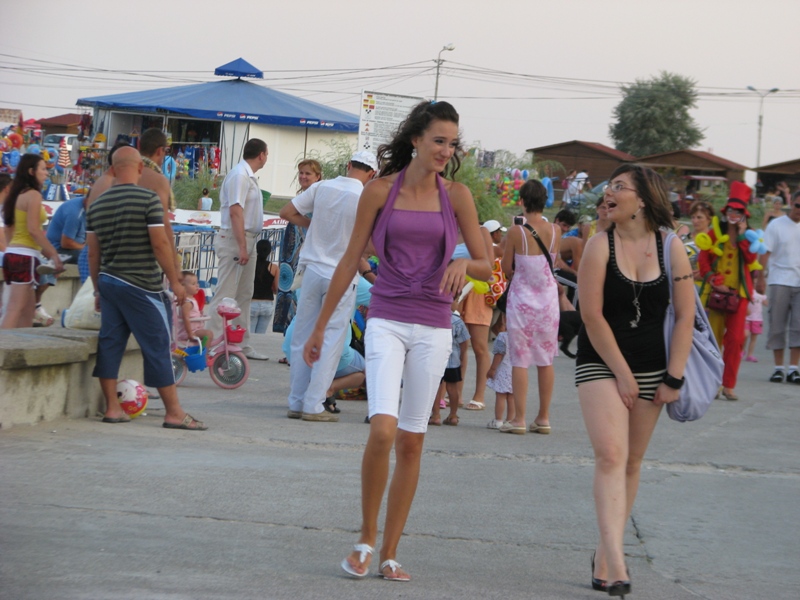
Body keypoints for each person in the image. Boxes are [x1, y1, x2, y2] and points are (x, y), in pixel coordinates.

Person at [303, 101, 491, 581]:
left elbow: (488, 267)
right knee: (383, 429)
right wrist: (321, 325)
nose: (446, 151)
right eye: (438, 141)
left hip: (433, 327)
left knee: (411, 441)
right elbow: (350, 259)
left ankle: (389, 553)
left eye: (452, 143)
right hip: (386, 318)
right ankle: (365, 539)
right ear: (416, 140)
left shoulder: (458, 196)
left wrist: (463, 264)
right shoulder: (379, 191)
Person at [576, 164, 695, 597]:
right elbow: (591, 315)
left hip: (653, 367)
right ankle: (618, 561)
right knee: (611, 455)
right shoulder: (598, 245)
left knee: (631, 463)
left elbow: (686, 316)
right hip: (602, 362)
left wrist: (674, 377)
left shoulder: (670, 247)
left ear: (642, 200)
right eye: (609, 186)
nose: (609, 193)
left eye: (619, 187)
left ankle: (603, 554)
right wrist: (623, 375)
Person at [86, 146, 206, 430]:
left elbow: (93, 253)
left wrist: (97, 290)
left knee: (110, 344)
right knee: (158, 345)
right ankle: (174, 413)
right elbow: (160, 243)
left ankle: (112, 408)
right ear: (141, 168)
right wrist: (175, 281)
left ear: (112, 170)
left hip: (109, 281)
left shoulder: (97, 205)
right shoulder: (148, 198)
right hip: (141, 285)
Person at [279, 150, 377, 421]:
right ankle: (314, 404)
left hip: (312, 270)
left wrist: (313, 225)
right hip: (342, 275)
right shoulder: (365, 197)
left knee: (302, 335)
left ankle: (296, 401)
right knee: (331, 340)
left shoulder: (321, 187)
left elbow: (287, 212)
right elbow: (370, 244)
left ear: (348, 165)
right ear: (372, 174)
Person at [499, 179, 561, 435]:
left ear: (522, 201)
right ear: (545, 201)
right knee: (546, 360)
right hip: (548, 302)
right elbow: (554, 264)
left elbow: (506, 267)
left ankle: (519, 419)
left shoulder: (517, 232)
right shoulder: (556, 230)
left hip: (521, 301)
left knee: (520, 359)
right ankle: (543, 417)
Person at [208, 138, 269, 360]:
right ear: (261, 155)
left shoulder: (248, 176)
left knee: (244, 294)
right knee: (225, 293)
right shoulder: (240, 176)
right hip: (236, 239)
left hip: (248, 239)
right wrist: (242, 246)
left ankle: (240, 343)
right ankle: (213, 342)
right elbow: (235, 211)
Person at [698, 182, 760, 400]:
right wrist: (712, 279)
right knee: (713, 338)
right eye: (731, 210)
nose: (734, 215)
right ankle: (712, 383)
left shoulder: (750, 236)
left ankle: (729, 385)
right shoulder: (715, 233)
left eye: (738, 211)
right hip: (717, 295)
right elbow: (703, 259)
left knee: (735, 339)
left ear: (744, 215)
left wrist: (742, 235)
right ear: (725, 212)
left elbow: (751, 259)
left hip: (739, 296)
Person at [1, 154, 64, 329]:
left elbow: (9, 230)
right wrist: (54, 255)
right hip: (26, 258)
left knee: (28, 311)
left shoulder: (15, 196)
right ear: (31, 171)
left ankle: (21, 345)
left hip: (13, 255)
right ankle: (4, 345)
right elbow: (34, 230)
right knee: (15, 309)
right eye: (43, 169)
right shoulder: (33, 195)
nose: (46, 173)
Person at [273, 158, 323, 342]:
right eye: (301, 173)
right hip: (292, 249)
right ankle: (289, 339)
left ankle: (295, 341)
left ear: (318, 176)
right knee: (290, 291)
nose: (303, 176)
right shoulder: (304, 195)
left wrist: (309, 225)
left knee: (299, 293)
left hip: (304, 249)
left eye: (308, 173)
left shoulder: (318, 195)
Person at [763, 190, 800, 384]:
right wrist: (759, 277)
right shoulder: (776, 225)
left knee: (798, 326)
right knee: (777, 324)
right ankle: (778, 368)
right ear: (791, 203)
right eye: (798, 205)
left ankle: (794, 369)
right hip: (779, 280)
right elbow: (766, 252)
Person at [36, 194, 89, 326]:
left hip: (67, 249)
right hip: (60, 250)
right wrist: (88, 248)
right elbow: (66, 243)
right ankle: (85, 306)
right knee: (92, 258)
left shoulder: (86, 208)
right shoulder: (75, 213)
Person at [429, 300, 470, 426]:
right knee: (452, 388)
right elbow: (464, 341)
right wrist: (462, 355)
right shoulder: (457, 321)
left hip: (436, 358)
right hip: (453, 361)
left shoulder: (432, 317)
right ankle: (453, 415)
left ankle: (436, 415)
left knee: (436, 387)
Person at [486, 313, 514, 429]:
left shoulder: (503, 336)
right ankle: (510, 420)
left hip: (503, 370)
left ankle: (498, 420)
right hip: (516, 371)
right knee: (512, 397)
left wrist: (492, 368)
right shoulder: (521, 337)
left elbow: (499, 354)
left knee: (501, 395)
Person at [175, 271, 214, 346]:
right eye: (193, 284)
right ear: (183, 287)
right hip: (188, 332)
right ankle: (204, 352)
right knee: (209, 334)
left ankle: (202, 349)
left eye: (197, 283)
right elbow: (186, 318)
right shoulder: (187, 302)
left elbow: (192, 314)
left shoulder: (192, 299)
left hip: (195, 330)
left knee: (207, 334)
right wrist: (190, 333)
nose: (197, 285)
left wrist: (199, 314)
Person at [250, 239, 278, 334]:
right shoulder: (274, 267)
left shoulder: (251, 265)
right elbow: (276, 288)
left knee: (251, 336)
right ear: (269, 251)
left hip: (252, 302)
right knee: (261, 336)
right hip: (267, 303)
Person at [744, 272, 767, 363]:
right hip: (747, 318)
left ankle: (749, 355)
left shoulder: (761, 295)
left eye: (756, 282)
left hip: (757, 319)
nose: (755, 283)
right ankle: (742, 350)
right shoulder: (747, 291)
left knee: (753, 338)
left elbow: (766, 303)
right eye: (753, 281)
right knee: (745, 335)